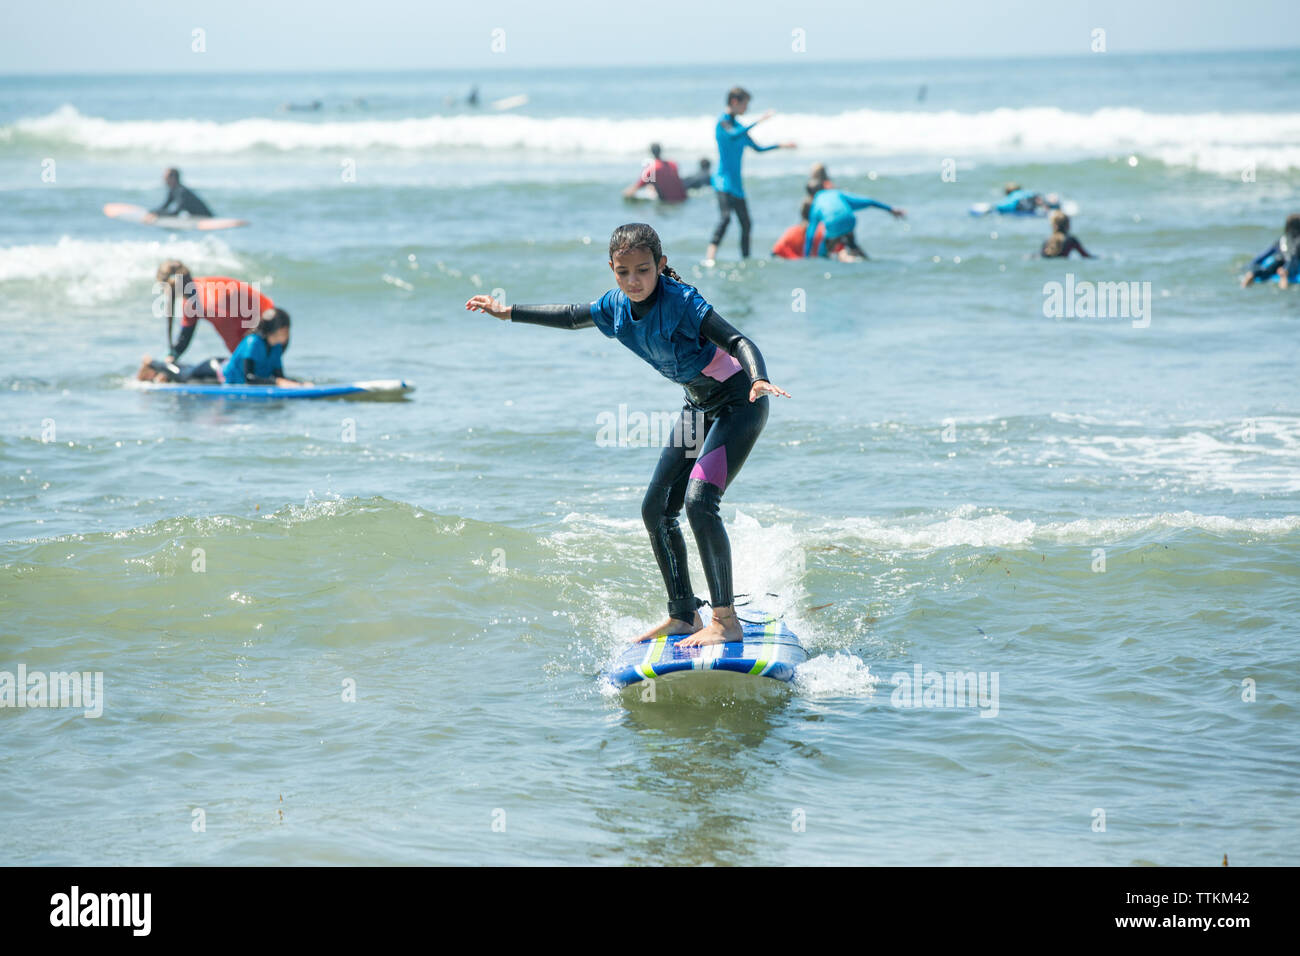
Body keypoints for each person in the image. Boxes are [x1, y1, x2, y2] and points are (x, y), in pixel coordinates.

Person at [464, 223, 790, 646]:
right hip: (699, 407)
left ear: (661, 266)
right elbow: (570, 316)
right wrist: (508, 313)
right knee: (655, 508)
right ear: (612, 270)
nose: (633, 281)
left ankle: (725, 621)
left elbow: (738, 339)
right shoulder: (614, 308)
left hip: (738, 403)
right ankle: (684, 615)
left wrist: (759, 377)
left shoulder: (683, 303)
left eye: (642, 270)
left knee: (699, 501)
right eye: (623, 272)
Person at [136, 261, 275, 381]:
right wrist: (169, 359)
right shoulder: (194, 296)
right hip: (273, 323)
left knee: (191, 375)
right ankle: (157, 366)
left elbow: (236, 338)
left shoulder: (208, 302)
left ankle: (153, 365)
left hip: (271, 323)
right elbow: (184, 338)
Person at [703, 87, 796, 265]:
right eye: (746, 103)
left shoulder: (740, 128)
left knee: (746, 224)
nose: (748, 107)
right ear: (735, 102)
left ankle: (745, 259)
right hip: (722, 181)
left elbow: (758, 149)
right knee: (725, 218)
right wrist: (760, 120)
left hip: (736, 185)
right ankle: (710, 257)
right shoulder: (722, 123)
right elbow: (733, 135)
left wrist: (781, 145)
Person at [804, 187, 906, 260]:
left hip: (833, 225)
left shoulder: (816, 203)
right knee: (852, 245)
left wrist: (806, 256)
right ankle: (865, 260)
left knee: (824, 252)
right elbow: (869, 202)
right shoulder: (836, 193)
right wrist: (890, 209)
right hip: (849, 220)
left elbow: (810, 234)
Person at [1241, 214, 1300, 289]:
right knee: (1290, 265)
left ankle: (1253, 274)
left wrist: (1250, 265)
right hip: (1292, 259)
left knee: (1268, 270)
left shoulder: (1281, 240)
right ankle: (1284, 273)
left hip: (1279, 257)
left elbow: (1263, 255)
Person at [771, 198, 837, 260]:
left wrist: (797, 260)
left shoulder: (793, 231)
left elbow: (777, 249)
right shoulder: (824, 231)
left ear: (802, 213)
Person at [622, 143, 687, 202]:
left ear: (651, 152)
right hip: (683, 198)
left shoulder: (651, 169)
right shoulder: (673, 164)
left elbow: (636, 187)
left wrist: (625, 194)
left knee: (650, 185)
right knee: (652, 185)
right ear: (661, 151)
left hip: (668, 202)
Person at [145, 168, 213, 221]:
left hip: (206, 217)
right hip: (196, 217)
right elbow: (165, 206)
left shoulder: (182, 192)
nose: (164, 179)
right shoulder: (173, 190)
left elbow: (176, 212)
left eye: (166, 177)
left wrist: (157, 214)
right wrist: (152, 212)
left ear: (173, 178)